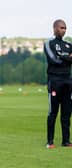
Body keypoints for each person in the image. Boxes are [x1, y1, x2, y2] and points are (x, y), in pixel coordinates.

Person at [44, 19, 72, 149]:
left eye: (65, 28)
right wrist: (67, 58)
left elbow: (62, 59)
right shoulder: (48, 43)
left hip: (68, 81)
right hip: (54, 81)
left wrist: (62, 56)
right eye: (61, 27)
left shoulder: (68, 45)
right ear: (55, 28)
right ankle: (50, 141)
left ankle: (66, 141)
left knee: (66, 113)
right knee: (53, 112)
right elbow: (54, 60)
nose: (64, 30)